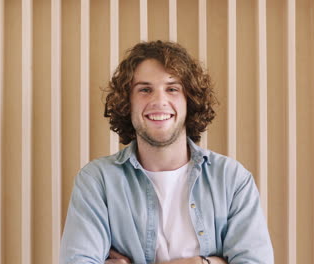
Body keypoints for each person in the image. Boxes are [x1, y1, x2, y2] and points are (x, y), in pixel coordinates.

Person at [60, 41, 274, 264]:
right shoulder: (97, 181)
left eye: (172, 89)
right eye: (144, 89)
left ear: (189, 100)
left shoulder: (232, 179)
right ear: (127, 102)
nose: (159, 101)